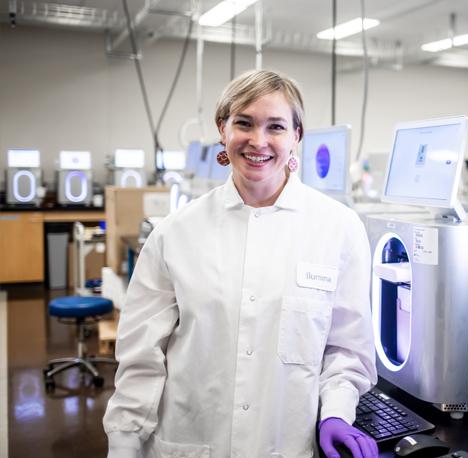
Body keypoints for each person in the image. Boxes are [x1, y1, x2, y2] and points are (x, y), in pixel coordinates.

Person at [104, 69, 378, 458]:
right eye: (244, 123)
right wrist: (124, 443)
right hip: (191, 440)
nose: (259, 141)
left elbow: (346, 349)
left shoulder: (339, 229)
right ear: (223, 129)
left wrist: (335, 413)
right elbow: (140, 357)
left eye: (276, 127)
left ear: (297, 136)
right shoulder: (175, 233)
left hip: (287, 446)